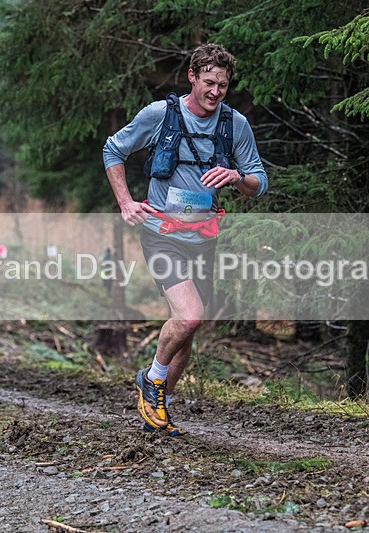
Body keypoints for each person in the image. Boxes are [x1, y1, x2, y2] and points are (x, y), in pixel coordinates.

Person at [103, 43, 268, 435]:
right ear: (191, 77)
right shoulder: (161, 115)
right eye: (208, 82)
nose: (215, 92)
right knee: (190, 314)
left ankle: (157, 408)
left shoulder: (235, 124)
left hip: (203, 237)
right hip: (161, 234)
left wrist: (236, 177)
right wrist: (126, 203)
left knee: (188, 330)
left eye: (223, 86)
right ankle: (152, 378)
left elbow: (259, 182)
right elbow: (113, 150)